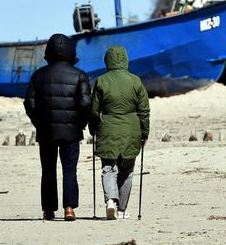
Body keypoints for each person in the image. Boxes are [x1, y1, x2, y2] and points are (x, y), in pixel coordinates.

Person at [24, 34, 92, 221]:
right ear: (70, 52)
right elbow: (86, 104)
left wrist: (39, 123)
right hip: (71, 131)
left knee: (48, 170)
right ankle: (69, 208)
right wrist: (80, 124)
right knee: (69, 170)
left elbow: (30, 104)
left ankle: (48, 210)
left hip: (46, 131)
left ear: (48, 52)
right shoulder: (80, 75)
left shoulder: (38, 75)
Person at [90, 46, 150, 220]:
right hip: (131, 129)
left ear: (107, 60)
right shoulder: (136, 81)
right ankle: (122, 210)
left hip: (108, 127)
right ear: (125, 59)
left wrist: (93, 128)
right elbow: (144, 110)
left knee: (108, 168)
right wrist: (144, 132)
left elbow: (94, 111)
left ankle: (110, 201)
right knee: (127, 170)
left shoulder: (101, 81)